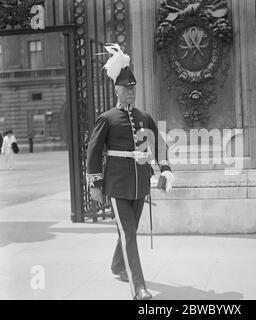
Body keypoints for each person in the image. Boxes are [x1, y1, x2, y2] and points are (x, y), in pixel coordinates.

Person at [86, 44, 175, 300]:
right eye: (126, 89)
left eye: (133, 88)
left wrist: (166, 170)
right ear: (116, 90)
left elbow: (158, 145)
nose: (130, 93)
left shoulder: (144, 117)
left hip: (140, 183)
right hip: (117, 183)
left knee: (129, 231)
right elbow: (93, 153)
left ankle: (117, 265)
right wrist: (95, 184)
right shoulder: (107, 118)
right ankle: (139, 287)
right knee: (129, 233)